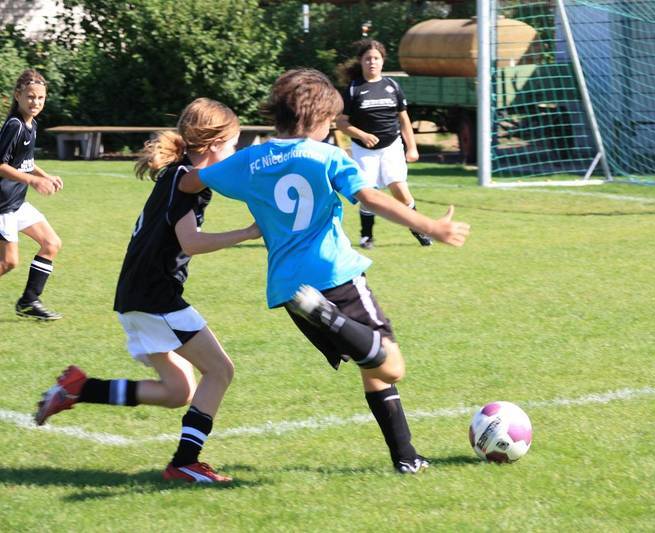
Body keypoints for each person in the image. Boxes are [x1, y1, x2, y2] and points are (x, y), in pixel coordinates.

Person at [179, 68, 470, 474]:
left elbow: (190, 183)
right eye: (331, 122)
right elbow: (369, 196)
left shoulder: (249, 160)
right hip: (336, 279)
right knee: (391, 366)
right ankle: (328, 317)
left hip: (288, 289)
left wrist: (176, 166)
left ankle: (406, 457)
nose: (333, 128)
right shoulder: (327, 155)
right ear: (316, 119)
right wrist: (430, 227)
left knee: (372, 370)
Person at [34, 98, 262, 484]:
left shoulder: (180, 175)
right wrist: (249, 232)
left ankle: (79, 389)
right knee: (220, 370)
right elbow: (191, 243)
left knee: (178, 390)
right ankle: (185, 463)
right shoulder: (185, 178)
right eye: (234, 145)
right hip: (156, 296)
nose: (236, 153)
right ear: (213, 144)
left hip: (137, 295)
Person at [335, 39, 431, 249]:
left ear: (382, 61)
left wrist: (412, 147)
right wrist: (362, 135)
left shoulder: (392, 86)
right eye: (368, 58)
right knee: (368, 194)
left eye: (376, 58)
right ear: (361, 61)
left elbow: (404, 119)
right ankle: (366, 237)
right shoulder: (353, 89)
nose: (372, 62)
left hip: (392, 147)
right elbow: (341, 122)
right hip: (364, 151)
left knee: (401, 192)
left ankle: (418, 229)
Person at [0, 69, 65, 320]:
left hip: (17, 203)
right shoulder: (15, 125)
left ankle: (29, 302)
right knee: (8, 262)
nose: (35, 102)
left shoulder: (31, 124)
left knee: (51, 243)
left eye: (40, 98)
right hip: (3, 205)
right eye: (30, 97)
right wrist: (33, 181)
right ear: (18, 96)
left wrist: (44, 175)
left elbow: (25, 161)